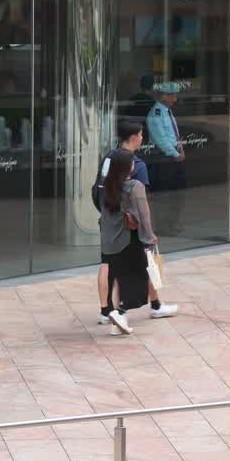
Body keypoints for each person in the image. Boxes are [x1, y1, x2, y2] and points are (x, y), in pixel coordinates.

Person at [100, 149, 177, 334]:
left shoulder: (106, 186)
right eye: (132, 162)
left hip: (110, 244)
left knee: (120, 281)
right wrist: (150, 238)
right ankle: (120, 312)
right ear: (128, 167)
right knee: (141, 282)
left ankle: (117, 325)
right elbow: (144, 215)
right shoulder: (135, 186)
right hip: (130, 241)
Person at [93, 121, 150, 325]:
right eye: (141, 135)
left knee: (107, 266)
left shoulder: (109, 158)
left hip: (108, 225)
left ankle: (105, 310)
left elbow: (97, 192)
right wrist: (148, 237)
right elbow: (143, 211)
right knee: (133, 274)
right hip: (126, 231)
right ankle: (122, 311)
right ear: (134, 137)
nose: (143, 138)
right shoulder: (136, 172)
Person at [146, 82, 187, 192]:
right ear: (164, 96)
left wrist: (180, 148)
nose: (175, 99)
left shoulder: (167, 111)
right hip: (164, 158)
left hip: (174, 155)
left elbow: (174, 133)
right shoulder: (156, 113)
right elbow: (161, 140)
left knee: (179, 190)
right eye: (173, 96)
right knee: (166, 190)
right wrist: (176, 154)